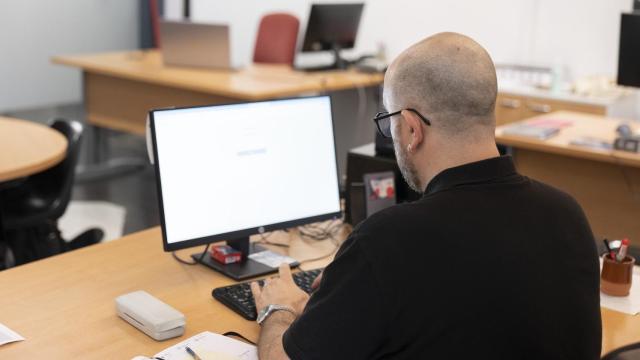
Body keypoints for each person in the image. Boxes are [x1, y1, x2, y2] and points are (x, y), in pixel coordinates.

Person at [250, 32, 602, 360]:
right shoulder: (567, 213)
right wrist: (349, 288)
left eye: (390, 122)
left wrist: (276, 309)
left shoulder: (388, 240)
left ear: (412, 129)